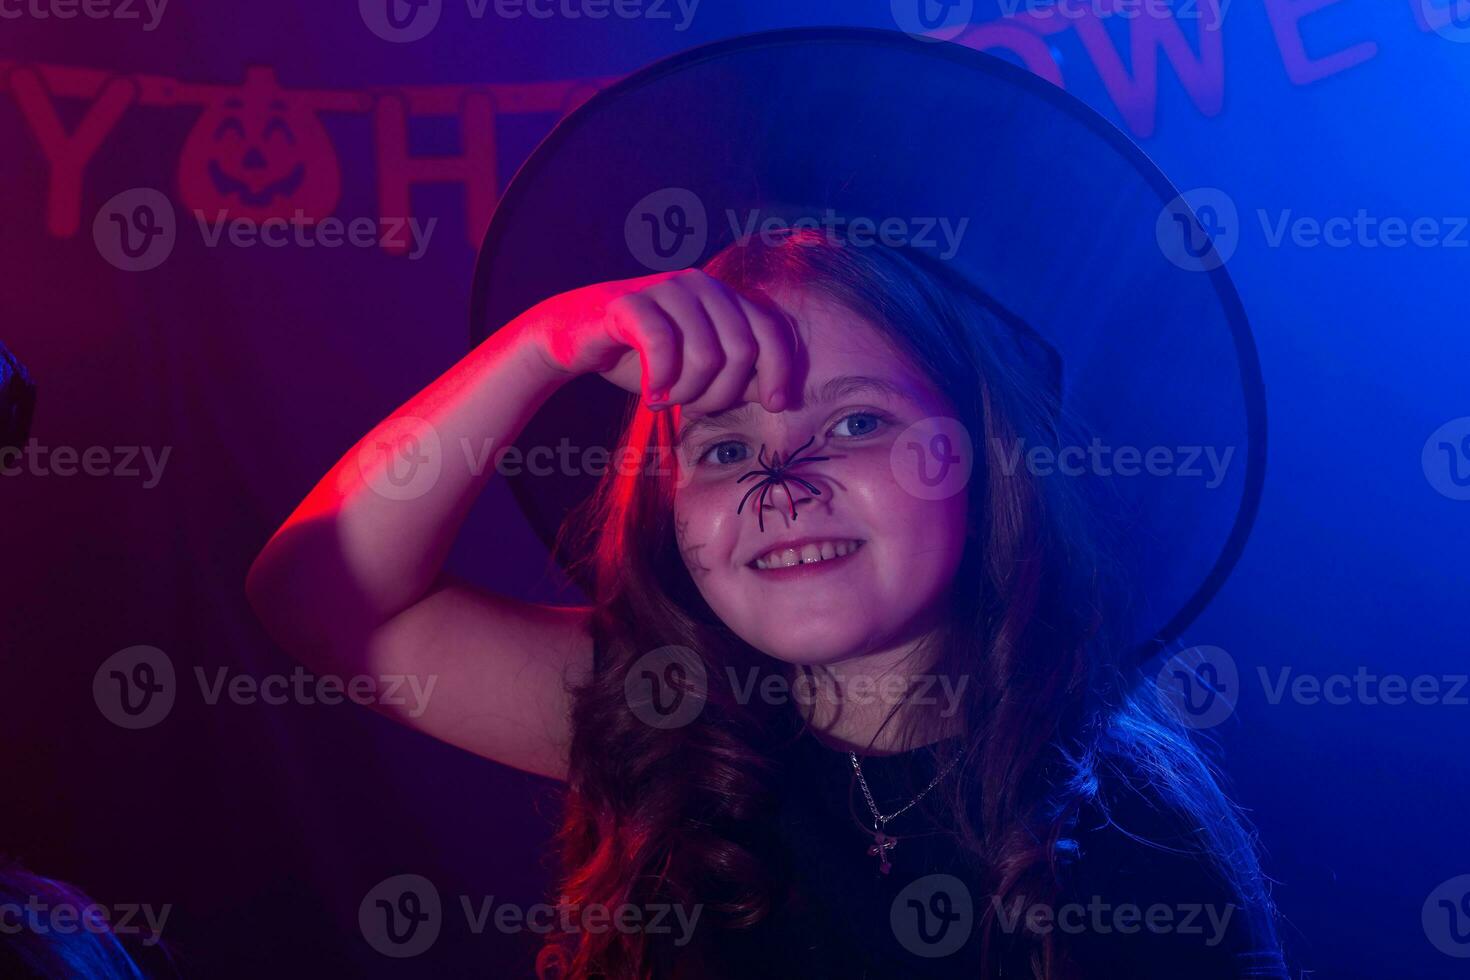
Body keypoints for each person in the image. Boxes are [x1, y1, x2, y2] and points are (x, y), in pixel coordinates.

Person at [247, 29, 1287, 979]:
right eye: (727, 445)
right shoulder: (662, 715)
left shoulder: (1136, 838)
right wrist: (538, 349)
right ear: (669, 511)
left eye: (854, 424)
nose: (781, 488)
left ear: (987, 454)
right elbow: (320, 595)